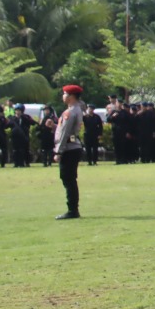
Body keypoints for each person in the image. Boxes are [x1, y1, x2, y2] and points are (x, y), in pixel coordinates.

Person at [54, 85, 86, 219]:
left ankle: (72, 210)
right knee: (69, 179)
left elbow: (65, 134)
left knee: (68, 179)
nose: (63, 96)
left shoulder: (70, 112)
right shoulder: (76, 109)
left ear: (71, 96)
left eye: (65, 94)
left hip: (69, 148)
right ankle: (73, 209)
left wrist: (58, 151)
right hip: (73, 146)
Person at [10, 103, 33, 167]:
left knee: (24, 150)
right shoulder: (13, 118)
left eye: (19, 110)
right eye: (16, 110)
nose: (18, 112)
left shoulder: (26, 118)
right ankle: (16, 163)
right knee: (15, 151)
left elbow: (32, 122)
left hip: (24, 137)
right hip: (15, 138)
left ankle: (25, 163)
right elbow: (8, 125)